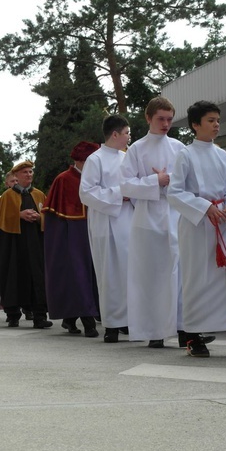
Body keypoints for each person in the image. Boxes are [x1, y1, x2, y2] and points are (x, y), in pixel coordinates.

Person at [168, 101, 226, 358]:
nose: (217, 125)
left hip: (223, 226)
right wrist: (205, 207)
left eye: (218, 120)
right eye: (210, 120)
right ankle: (193, 336)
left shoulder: (222, 154)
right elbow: (175, 192)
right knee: (198, 280)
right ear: (195, 125)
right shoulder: (185, 155)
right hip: (197, 228)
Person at [120, 97, 184, 348]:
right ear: (148, 118)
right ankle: (154, 330)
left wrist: (171, 181)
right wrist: (155, 181)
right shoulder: (137, 149)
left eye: (169, 119)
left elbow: (189, 182)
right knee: (152, 275)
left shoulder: (179, 147)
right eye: (161, 119)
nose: (166, 124)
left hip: (175, 215)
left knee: (178, 274)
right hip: (147, 218)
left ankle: (183, 328)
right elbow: (125, 185)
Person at [79, 115, 134, 343]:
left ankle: (130, 320)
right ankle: (112, 324)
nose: (130, 137)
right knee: (109, 274)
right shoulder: (95, 159)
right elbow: (86, 192)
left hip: (129, 222)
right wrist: (119, 194)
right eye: (127, 133)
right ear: (115, 134)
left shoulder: (129, 158)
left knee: (129, 274)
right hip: (106, 223)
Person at [42, 141, 101, 337]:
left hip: (97, 230)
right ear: (82, 160)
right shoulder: (63, 180)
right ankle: (89, 321)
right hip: (74, 234)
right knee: (79, 275)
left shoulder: (98, 178)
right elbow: (54, 219)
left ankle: (70, 318)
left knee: (92, 276)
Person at [0, 160, 52, 329]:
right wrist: (18, 215)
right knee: (12, 277)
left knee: (37, 277)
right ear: (16, 176)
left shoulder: (39, 195)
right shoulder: (6, 197)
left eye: (31, 172)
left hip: (35, 246)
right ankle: (13, 315)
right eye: (25, 172)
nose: (29, 175)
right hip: (14, 248)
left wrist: (39, 218)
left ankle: (39, 315)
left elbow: (48, 218)